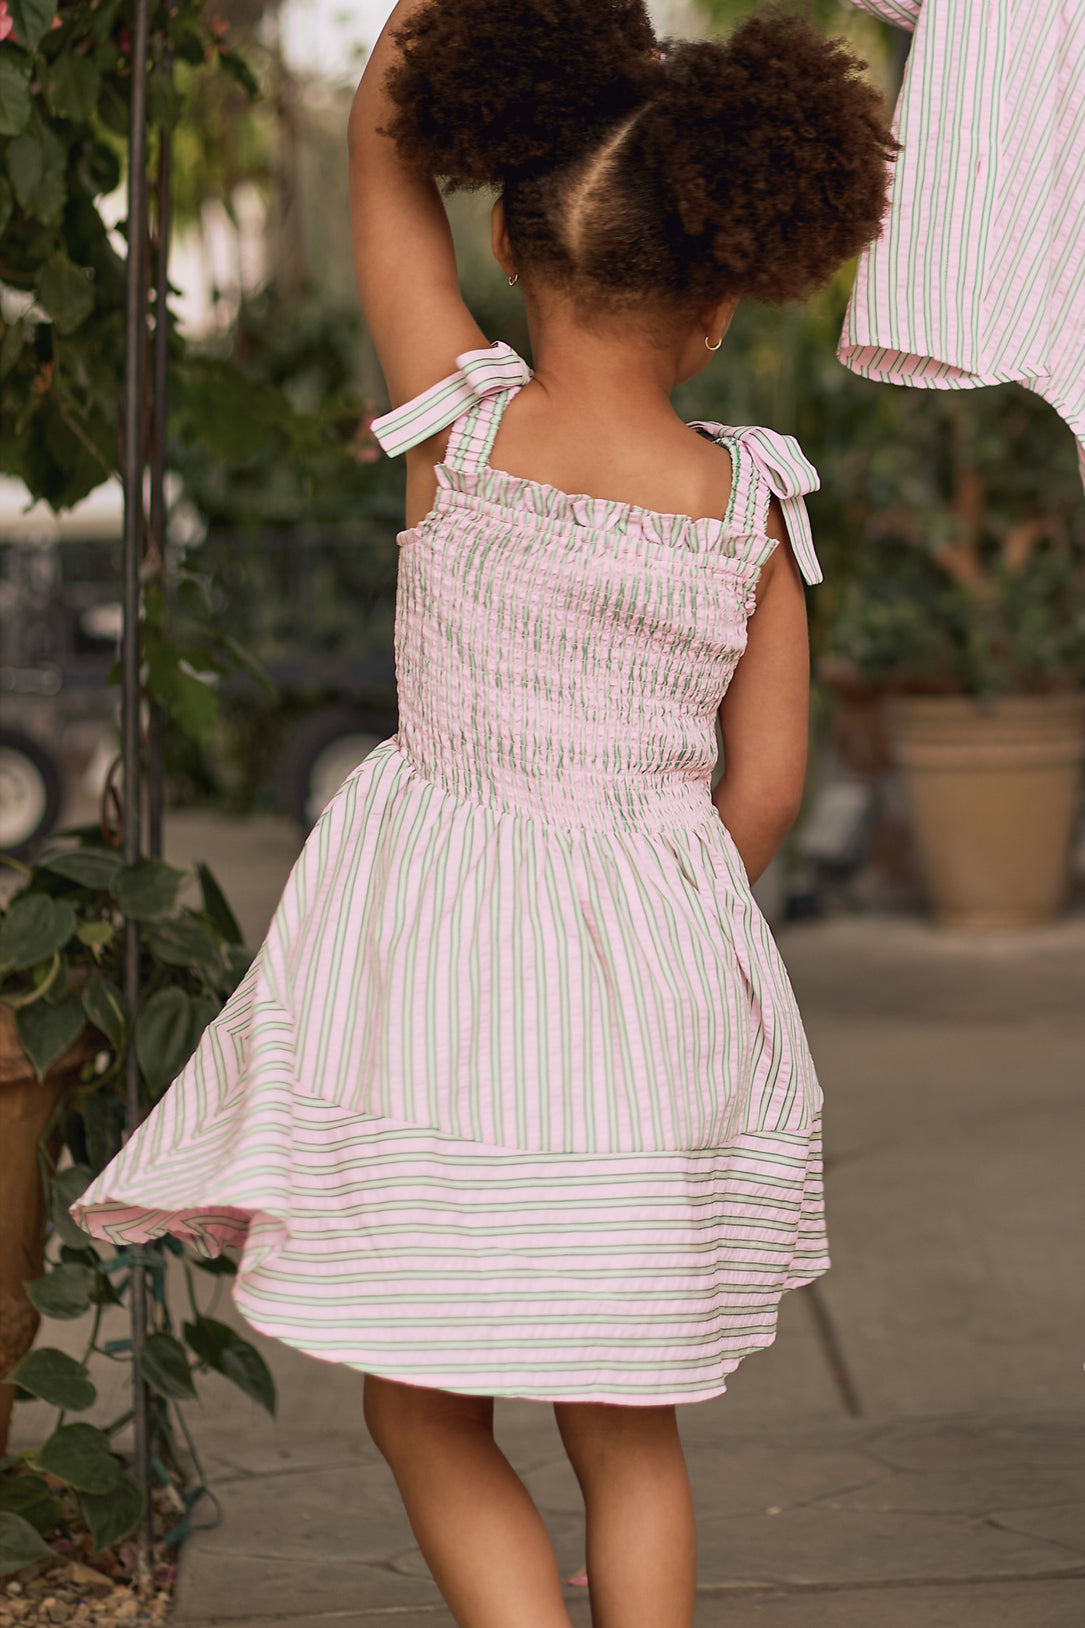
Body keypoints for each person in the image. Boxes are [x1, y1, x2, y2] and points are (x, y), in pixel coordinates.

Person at [73, 3, 895, 1624]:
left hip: (436, 992)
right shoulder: (751, 498)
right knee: (624, 1411)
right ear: (723, 299)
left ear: (512, 244)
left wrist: (413, 30)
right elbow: (772, 782)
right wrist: (649, 898)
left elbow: (387, 169)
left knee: (420, 1394)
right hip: (648, 987)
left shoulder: (460, 427)